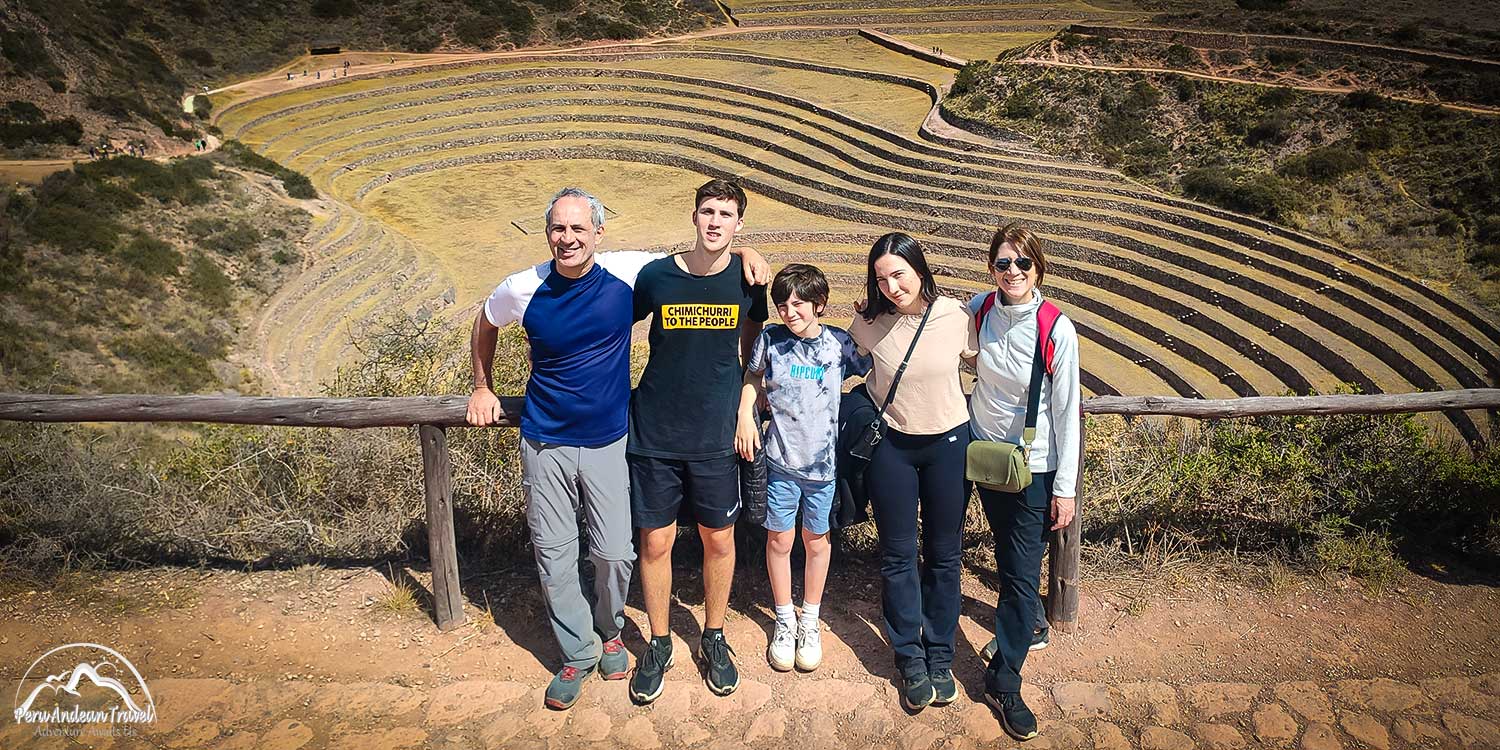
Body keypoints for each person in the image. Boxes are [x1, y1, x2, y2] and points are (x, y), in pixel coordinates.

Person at [467, 187, 767, 711]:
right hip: (585, 435)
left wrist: (745, 253)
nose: (568, 237)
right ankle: (602, 649)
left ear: (598, 233)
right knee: (573, 552)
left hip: (642, 436)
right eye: (558, 228)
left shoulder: (648, 273)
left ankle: (658, 635)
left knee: (630, 549)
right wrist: (482, 385)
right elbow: (486, 320)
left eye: (578, 227)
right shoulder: (546, 284)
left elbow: (726, 297)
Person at [627, 179, 768, 704]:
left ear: (738, 224)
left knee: (719, 540)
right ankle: (660, 642)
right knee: (656, 542)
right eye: (707, 211)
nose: (715, 222)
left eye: (725, 214)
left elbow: (752, 351)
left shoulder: (748, 280)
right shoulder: (656, 276)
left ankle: (714, 636)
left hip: (715, 432)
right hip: (656, 430)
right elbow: (616, 327)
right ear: (693, 217)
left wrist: (745, 405)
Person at [849, 232, 977, 711]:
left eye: (898, 274)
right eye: (881, 279)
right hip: (892, 449)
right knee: (898, 556)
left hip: (948, 445)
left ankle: (940, 654)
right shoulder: (867, 322)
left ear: (919, 269)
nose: (891, 287)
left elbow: (989, 364)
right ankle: (909, 658)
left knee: (944, 555)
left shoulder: (956, 317)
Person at [967, 223, 1080, 741]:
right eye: (1003, 263)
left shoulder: (1056, 327)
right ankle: (1029, 624)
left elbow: (1067, 410)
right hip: (986, 456)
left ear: (1039, 268)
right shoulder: (980, 309)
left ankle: (1005, 679)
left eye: (1022, 264)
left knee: (1019, 568)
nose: (1012, 272)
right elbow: (928, 317)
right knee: (1008, 553)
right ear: (991, 267)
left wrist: (1065, 486)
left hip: (1033, 465)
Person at [734, 263, 869, 673]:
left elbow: (869, 360)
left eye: (798, 303)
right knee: (778, 541)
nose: (789, 311)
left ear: (819, 304)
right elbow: (753, 376)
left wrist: (865, 317)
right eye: (782, 304)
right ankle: (784, 617)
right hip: (780, 462)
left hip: (822, 468)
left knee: (816, 542)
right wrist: (745, 411)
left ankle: (810, 617)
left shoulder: (838, 344)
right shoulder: (771, 340)